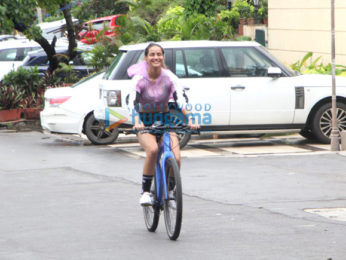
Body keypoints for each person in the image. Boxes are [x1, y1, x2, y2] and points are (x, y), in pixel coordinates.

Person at [127, 42, 199, 206]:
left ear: (163, 57)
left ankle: (171, 193)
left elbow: (181, 99)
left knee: (177, 158)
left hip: (165, 119)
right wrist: (137, 121)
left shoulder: (169, 77)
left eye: (159, 54)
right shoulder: (140, 79)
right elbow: (133, 103)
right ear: (146, 58)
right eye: (152, 54)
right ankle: (145, 192)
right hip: (145, 121)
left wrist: (190, 118)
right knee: (152, 150)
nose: (156, 57)